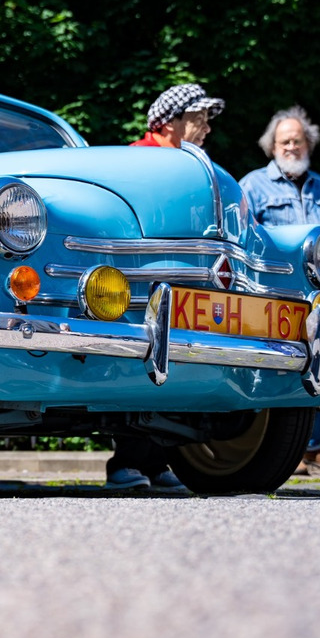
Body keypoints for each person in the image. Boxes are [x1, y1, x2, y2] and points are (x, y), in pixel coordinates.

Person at [105, 83, 226, 491]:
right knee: (144, 363)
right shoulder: (140, 158)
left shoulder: (189, 163)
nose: (207, 127)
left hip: (186, 279)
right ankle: (126, 463)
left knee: (176, 365)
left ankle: (156, 463)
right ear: (171, 122)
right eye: (199, 117)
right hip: (143, 279)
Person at [239, 106, 320, 475]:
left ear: (308, 145)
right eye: (284, 141)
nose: (290, 146)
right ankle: (287, 450)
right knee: (283, 363)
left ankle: (313, 446)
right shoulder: (252, 185)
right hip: (274, 292)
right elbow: (241, 239)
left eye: (297, 141)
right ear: (271, 146)